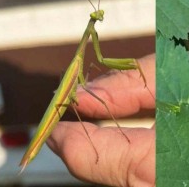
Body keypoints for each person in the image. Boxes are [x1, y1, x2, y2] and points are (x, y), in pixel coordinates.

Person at [47, 54, 155, 187]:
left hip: (65, 102)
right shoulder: (78, 61)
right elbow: (101, 60)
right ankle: (112, 133)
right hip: (58, 107)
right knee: (102, 102)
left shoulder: (79, 61)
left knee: (91, 68)